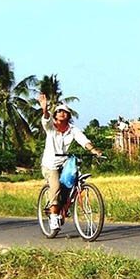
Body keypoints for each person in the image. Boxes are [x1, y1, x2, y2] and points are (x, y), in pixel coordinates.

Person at [38, 93, 102, 230]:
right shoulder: (51, 127)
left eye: (65, 112)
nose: (62, 113)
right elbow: (46, 119)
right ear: (55, 115)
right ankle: (54, 217)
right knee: (55, 187)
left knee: (72, 181)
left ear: (69, 116)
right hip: (50, 164)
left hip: (64, 162)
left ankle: (65, 206)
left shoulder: (73, 130)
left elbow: (83, 140)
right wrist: (44, 109)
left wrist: (94, 151)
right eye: (59, 111)